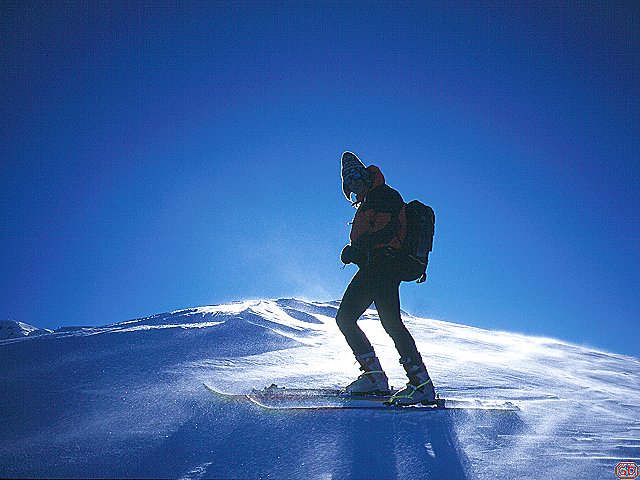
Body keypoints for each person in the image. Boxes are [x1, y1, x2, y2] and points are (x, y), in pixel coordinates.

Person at [336, 151, 437, 406]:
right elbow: (377, 237)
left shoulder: (384, 195)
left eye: (357, 178)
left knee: (349, 318)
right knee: (387, 322)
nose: (354, 184)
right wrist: (357, 253)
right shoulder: (371, 200)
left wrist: (357, 250)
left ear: (366, 176)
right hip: (378, 268)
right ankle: (413, 381)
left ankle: (391, 380)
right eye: (350, 182)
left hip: (383, 267)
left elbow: (388, 230)